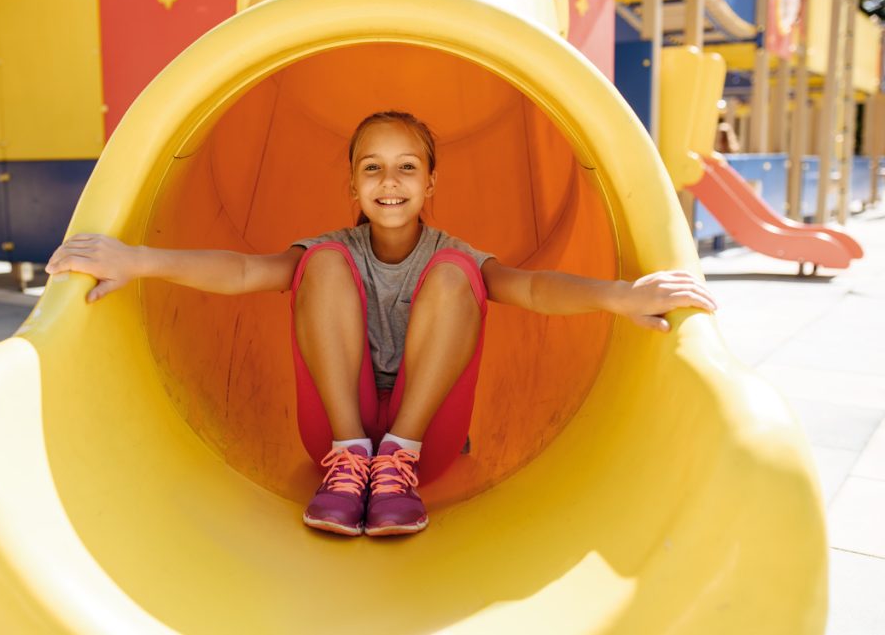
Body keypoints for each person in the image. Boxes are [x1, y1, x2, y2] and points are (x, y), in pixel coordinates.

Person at [46, 110, 717, 538]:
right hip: (334, 426)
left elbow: (536, 287)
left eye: (406, 168)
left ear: (430, 185)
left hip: (431, 432)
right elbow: (246, 271)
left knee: (462, 274)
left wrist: (622, 295)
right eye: (372, 168)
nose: (388, 182)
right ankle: (353, 460)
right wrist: (137, 259)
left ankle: (395, 458)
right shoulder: (334, 246)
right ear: (352, 185)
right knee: (321, 264)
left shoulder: (454, 253)